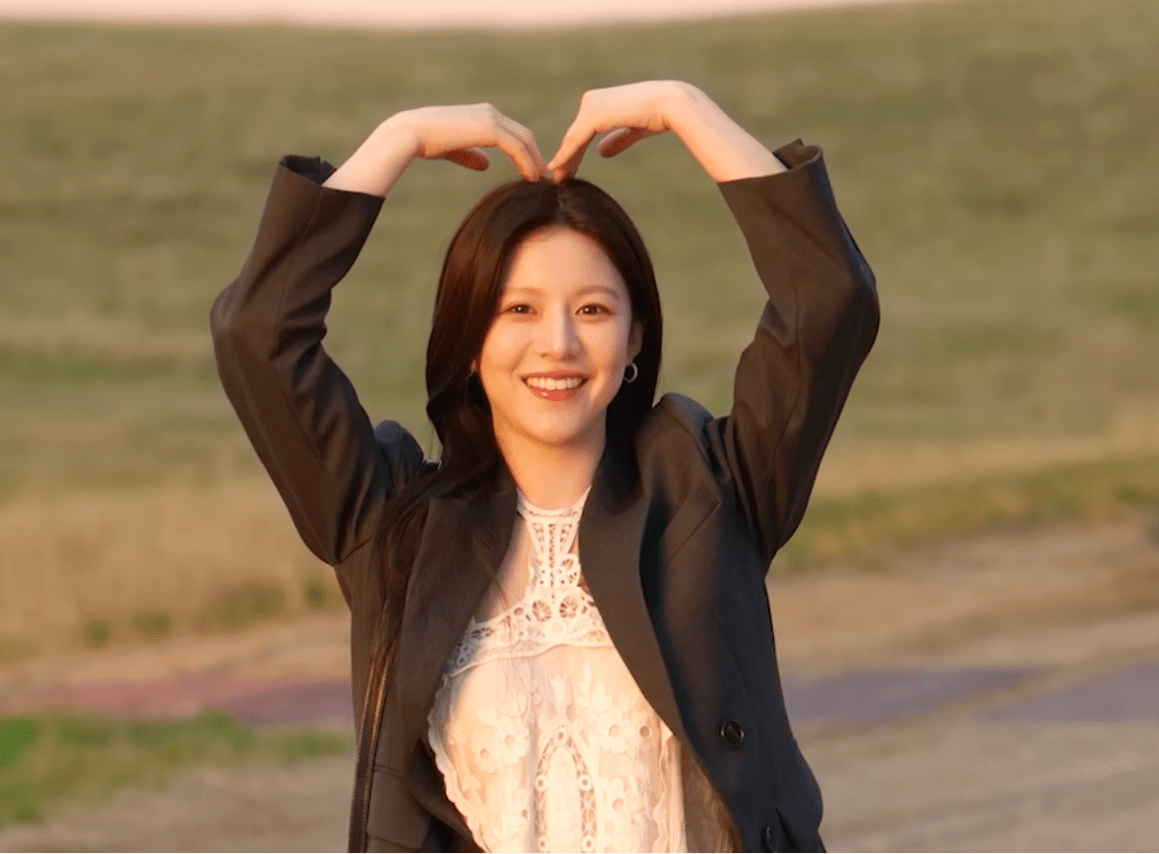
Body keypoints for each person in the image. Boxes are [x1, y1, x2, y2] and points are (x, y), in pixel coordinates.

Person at [211, 80, 878, 853]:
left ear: (634, 338)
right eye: (517, 309)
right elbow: (258, 334)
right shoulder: (392, 524)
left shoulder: (712, 492)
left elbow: (829, 299)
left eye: (592, 310)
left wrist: (685, 108)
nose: (557, 345)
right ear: (470, 340)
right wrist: (396, 139)